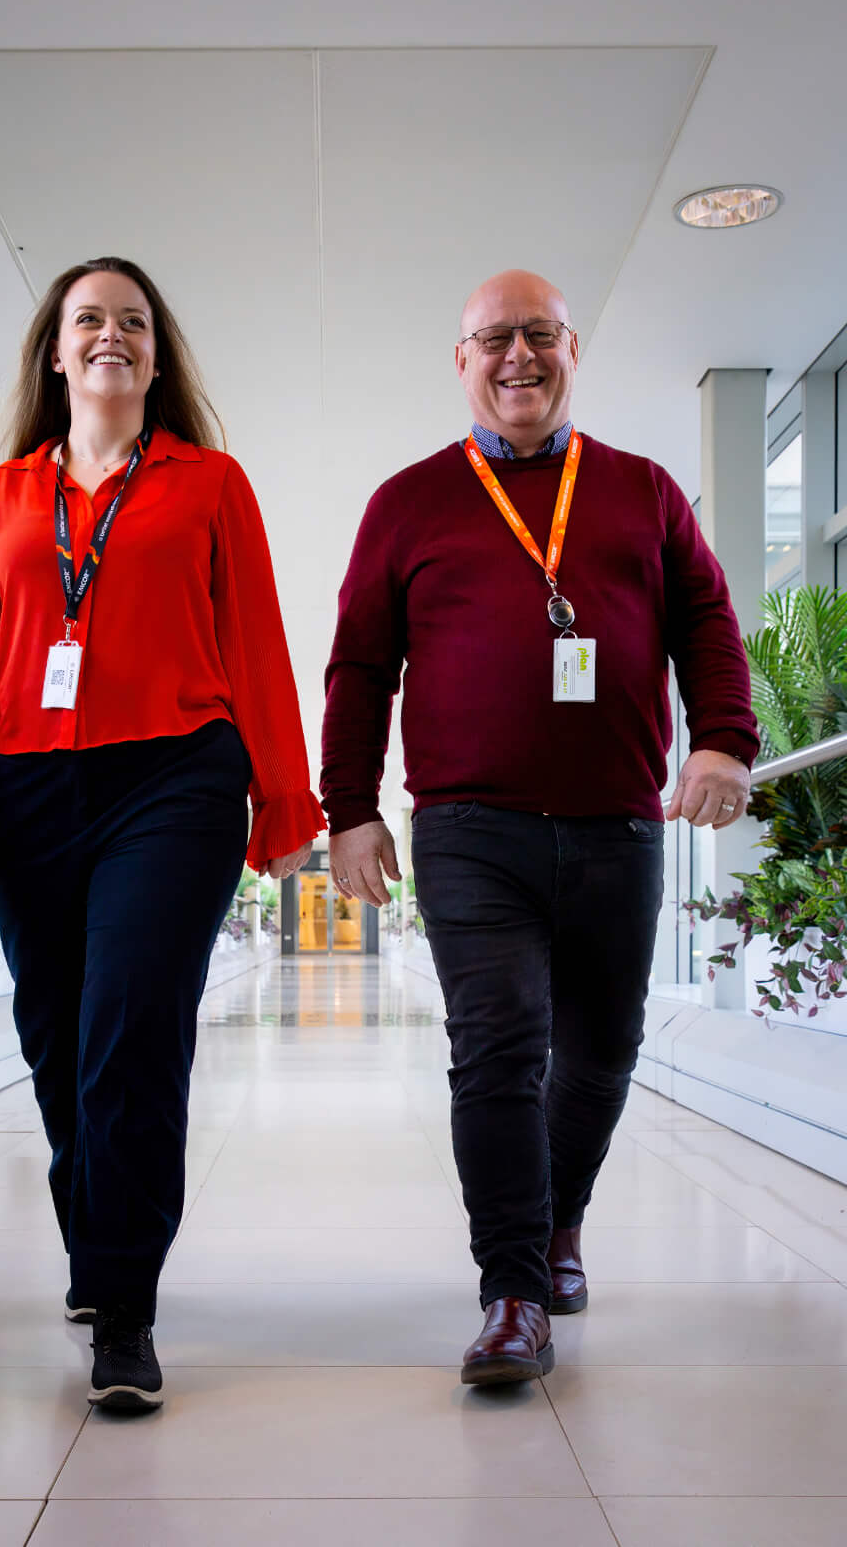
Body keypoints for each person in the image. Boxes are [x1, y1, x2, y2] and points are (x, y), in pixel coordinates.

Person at [0, 256, 321, 1416]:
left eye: (132, 321)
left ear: (155, 356)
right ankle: (99, 1236)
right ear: (56, 352)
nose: (110, 335)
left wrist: (283, 804)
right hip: (22, 788)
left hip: (173, 779)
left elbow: (260, 648)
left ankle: (122, 1307)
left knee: (130, 1022)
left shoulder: (211, 485)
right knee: (56, 1033)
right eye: (89, 319)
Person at [322, 269, 757, 1385]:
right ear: (458, 362)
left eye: (538, 336)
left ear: (570, 350)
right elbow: (360, 668)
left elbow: (704, 621)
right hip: (470, 827)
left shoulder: (644, 491)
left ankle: (559, 1222)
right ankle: (512, 1291)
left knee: (602, 1050)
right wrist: (350, 812)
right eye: (492, 340)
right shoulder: (406, 501)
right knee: (501, 1046)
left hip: (618, 820)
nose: (516, 357)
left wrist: (721, 738)